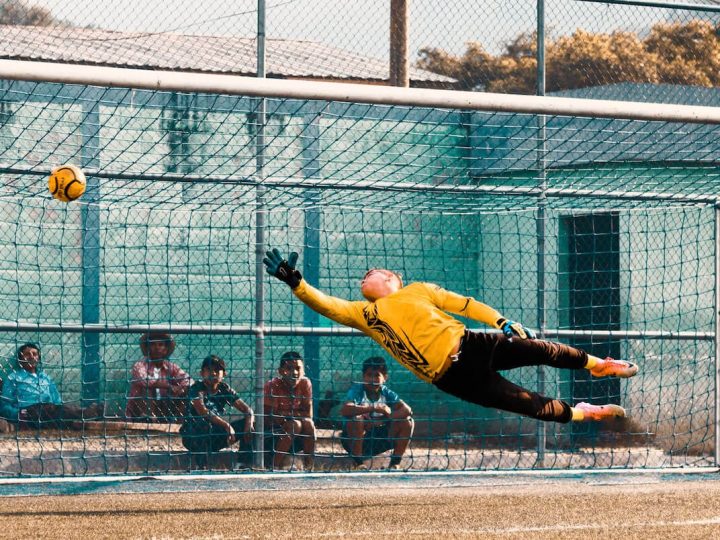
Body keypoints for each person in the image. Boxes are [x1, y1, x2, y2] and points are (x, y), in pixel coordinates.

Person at [263, 248, 639, 425]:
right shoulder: (365, 314)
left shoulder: (419, 290)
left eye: (372, 271)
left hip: (473, 345)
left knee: (541, 348)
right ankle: (580, 413)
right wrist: (296, 283)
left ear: (392, 279)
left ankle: (597, 365)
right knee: (526, 403)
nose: (365, 276)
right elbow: (326, 304)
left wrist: (502, 322)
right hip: (451, 377)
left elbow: (466, 304)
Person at [0, 343, 103, 428]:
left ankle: (84, 415)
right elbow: (4, 404)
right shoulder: (13, 378)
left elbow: (56, 401)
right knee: (50, 411)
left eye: (34, 354)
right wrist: (17, 414)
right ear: (20, 360)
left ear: (38, 358)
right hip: (28, 411)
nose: (31, 356)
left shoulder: (45, 378)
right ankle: (86, 414)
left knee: (59, 410)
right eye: (27, 354)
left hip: (49, 410)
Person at [180, 355, 255, 470]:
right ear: (201, 373)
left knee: (250, 424)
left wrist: (249, 424)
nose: (213, 373)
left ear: (224, 374)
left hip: (215, 436)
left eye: (217, 370)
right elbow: (202, 411)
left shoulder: (224, 389)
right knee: (202, 423)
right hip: (193, 436)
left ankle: (243, 463)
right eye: (209, 370)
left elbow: (247, 410)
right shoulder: (196, 388)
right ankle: (201, 466)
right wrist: (227, 425)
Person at [340, 356, 414, 471]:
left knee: (407, 421)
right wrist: (373, 407)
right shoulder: (357, 391)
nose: (373, 379)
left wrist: (380, 421)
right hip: (355, 440)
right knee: (356, 419)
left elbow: (407, 410)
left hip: (379, 440)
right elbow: (345, 409)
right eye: (369, 375)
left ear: (385, 378)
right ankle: (358, 463)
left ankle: (395, 463)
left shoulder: (386, 393)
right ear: (363, 376)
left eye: (377, 375)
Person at [263, 351, 316, 470]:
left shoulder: (305, 383)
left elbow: (308, 415)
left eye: (298, 368)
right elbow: (271, 417)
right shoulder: (272, 385)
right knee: (295, 425)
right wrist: (295, 416)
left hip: (295, 435)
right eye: (289, 368)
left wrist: (286, 414)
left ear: (303, 370)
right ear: (280, 371)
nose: (295, 372)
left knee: (309, 424)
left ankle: (309, 467)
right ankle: (274, 466)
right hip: (271, 436)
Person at [126, 332, 191, 422]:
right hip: (141, 408)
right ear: (148, 348)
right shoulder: (140, 365)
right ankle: (147, 420)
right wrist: (169, 386)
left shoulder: (171, 367)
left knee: (186, 391)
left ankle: (179, 423)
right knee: (146, 389)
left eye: (161, 345)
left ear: (166, 349)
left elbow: (188, 380)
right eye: (153, 344)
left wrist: (180, 388)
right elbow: (145, 381)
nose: (157, 348)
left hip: (164, 407)